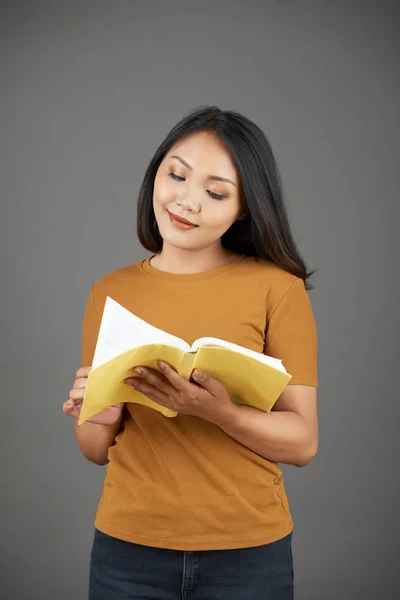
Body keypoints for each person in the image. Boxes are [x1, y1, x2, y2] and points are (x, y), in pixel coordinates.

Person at [63, 106, 319, 600]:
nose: (187, 201)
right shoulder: (109, 291)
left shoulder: (277, 290)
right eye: (176, 174)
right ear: (156, 173)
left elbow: (303, 442)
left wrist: (216, 411)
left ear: (245, 207)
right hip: (127, 550)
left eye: (216, 192)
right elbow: (95, 450)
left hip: (248, 554)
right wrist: (102, 410)